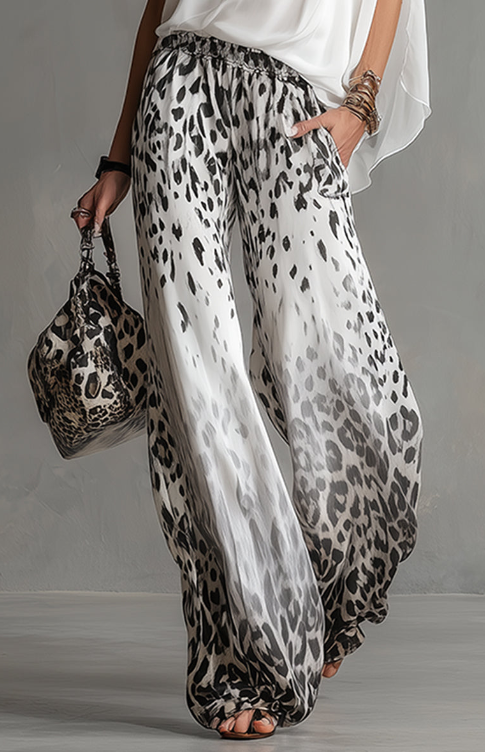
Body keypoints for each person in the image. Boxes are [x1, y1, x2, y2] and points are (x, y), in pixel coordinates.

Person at [71, 0, 431, 741]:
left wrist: (360, 102)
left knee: (343, 370)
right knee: (194, 379)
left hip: (291, 95)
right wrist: (118, 156)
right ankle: (240, 658)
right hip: (178, 84)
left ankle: (324, 596)